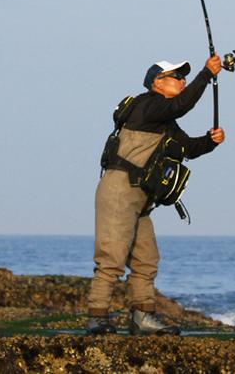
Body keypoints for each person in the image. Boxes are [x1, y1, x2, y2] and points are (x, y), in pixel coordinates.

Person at [87, 54, 226, 336]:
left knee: (146, 259)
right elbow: (182, 105)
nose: (182, 81)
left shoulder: (166, 122)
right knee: (111, 258)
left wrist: (210, 142)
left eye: (183, 77)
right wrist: (206, 74)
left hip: (141, 198)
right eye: (176, 77)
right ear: (156, 83)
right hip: (119, 191)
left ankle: (143, 318)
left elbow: (187, 148)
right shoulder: (147, 105)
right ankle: (97, 318)